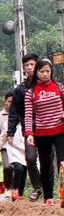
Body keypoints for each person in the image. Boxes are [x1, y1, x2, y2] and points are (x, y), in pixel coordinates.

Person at [23, 57, 64, 206]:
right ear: (37, 72)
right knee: (46, 166)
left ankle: (63, 194)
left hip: (60, 131)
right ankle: (48, 197)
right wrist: (29, 134)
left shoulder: (59, 87)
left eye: (48, 71)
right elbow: (28, 115)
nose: (46, 74)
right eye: (42, 71)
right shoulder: (30, 93)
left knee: (62, 163)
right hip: (42, 134)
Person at [7, 53, 43, 201]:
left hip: (47, 127)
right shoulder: (20, 90)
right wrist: (10, 131)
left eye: (32, 64)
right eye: (26, 65)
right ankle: (37, 187)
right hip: (29, 130)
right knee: (30, 158)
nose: (29, 68)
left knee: (47, 160)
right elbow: (14, 112)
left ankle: (50, 193)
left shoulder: (46, 85)